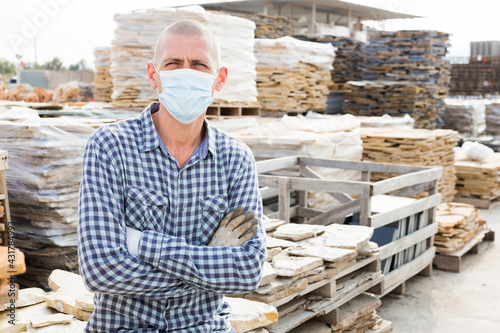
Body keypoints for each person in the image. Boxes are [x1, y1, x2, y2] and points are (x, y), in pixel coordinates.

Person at [78, 19, 266, 332]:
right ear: (154, 75)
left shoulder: (236, 160)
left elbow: (248, 271)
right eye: (174, 63)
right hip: (124, 327)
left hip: (205, 326)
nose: (186, 72)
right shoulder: (109, 147)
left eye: (199, 64)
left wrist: (140, 244)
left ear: (219, 79)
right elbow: (100, 270)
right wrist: (208, 264)